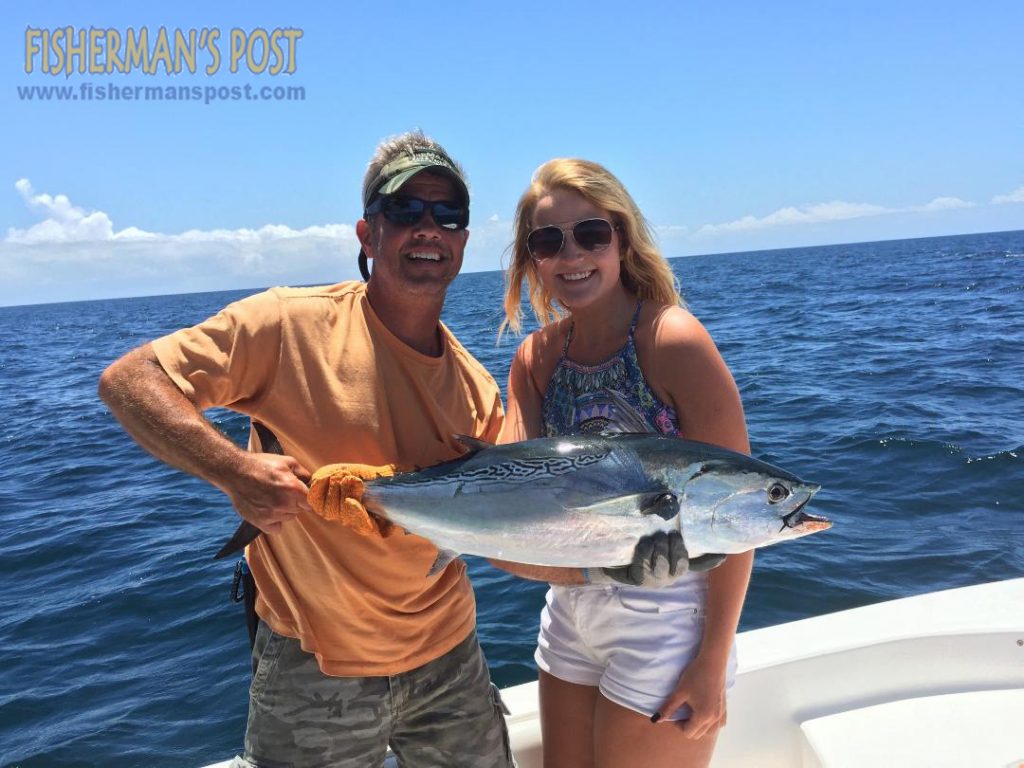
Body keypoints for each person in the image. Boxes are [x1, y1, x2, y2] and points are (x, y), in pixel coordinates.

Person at [98, 131, 516, 767]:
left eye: (446, 215)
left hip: (450, 658)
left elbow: (504, 524)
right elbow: (130, 380)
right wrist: (235, 471)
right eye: (404, 211)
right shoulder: (286, 324)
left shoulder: (478, 389)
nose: (427, 228)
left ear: (461, 240)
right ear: (367, 233)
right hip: (316, 669)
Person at [497, 158, 753, 767]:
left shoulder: (673, 340)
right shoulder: (535, 359)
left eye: (591, 233)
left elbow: (738, 511)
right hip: (569, 609)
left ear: (622, 238)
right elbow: (508, 521)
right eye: (548, 240)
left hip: (669, 615)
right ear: (532, 257)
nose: (572, 254)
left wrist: (712, 659)